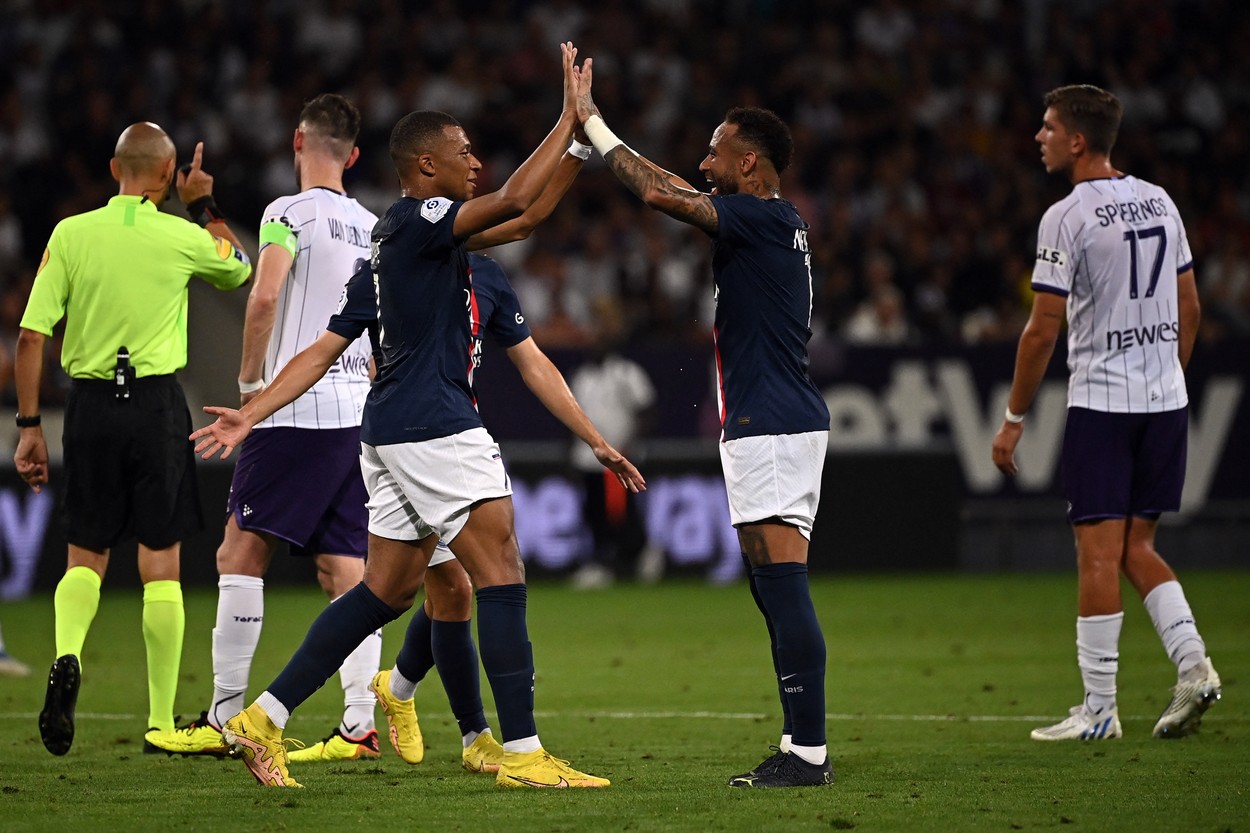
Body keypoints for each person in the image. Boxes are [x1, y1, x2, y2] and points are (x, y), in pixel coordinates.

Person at [194, 42, 641, 790]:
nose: (475, 162)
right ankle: (522, 752)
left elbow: (321, 348)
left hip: (386, 432)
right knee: (500, 570)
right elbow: (508, 203)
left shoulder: (408, 255)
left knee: (385, 592)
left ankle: (260, 716)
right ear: (426, 168)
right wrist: (567, 117)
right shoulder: (415, 222)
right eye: (463, 152)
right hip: (436, 424)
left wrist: (255, 408)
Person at [573, 70, 834, 787]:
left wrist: (591, 126)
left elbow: (659, 193)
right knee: (766, 580)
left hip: (776, 421)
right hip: (761, 419)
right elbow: (671, 184)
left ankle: (808, 753)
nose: (704, 163)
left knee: (781, 581)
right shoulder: (765, 220)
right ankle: (796, 739)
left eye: (716, 153)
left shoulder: (768, 216)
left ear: (749, 161)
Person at [141, 94, 384, 761]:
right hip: (356, 413)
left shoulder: (285, 212)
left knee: (239, 554)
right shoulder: (373, 225)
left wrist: (252, 390)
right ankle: (359, 724)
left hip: (294, 411)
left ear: (296, 140)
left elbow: (266, 293)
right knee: (346, 569)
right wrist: (208, 212)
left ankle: (224, 717)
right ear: (354, 154)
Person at [14, 123, 252, 756]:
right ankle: (161, 722)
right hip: (154, 404)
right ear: (171, 171)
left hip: (88, 406)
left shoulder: (70, 234)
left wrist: (31, 426)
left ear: (113, 167)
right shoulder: (180, 234)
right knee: (160, 564)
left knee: (84, 555)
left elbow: (33, 336)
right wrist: (201, 204)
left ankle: (68, 657)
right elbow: (240, 271)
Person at [992, 84, 1220, 741]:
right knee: (1138, 546)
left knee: (1096, 551)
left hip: (1104, 403)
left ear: (1078, 141)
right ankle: (1194, 666)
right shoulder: (1160, 200)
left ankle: (1099, 710)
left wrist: (1013, 417)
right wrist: (1164, 376)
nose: (1038, 136)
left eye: (1047, 126)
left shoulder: (1067, 215)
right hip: (1165, 401)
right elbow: (1192, 308)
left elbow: (1041, 330)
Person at [567, 297, 659, 589]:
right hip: (586, 459)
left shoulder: (625, 372)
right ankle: (603, 561)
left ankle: (638, 554)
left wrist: (628, 446)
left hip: (620, 459)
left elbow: (646, 409)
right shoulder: (581, 377)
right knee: (594, 513)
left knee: (623, 515)